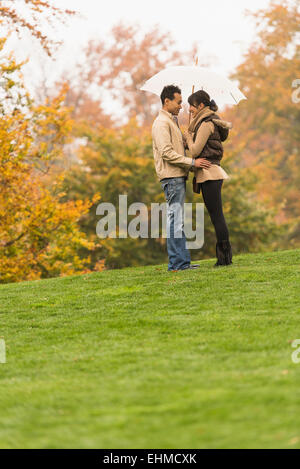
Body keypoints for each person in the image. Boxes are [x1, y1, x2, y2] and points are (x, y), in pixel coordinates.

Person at [152, 85, 211, 271]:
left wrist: (187, 137)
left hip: (177, 176)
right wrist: (192, 163)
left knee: (177, 219)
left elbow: (176, 148)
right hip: (172, 177)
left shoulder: (172, 122)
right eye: (178, 102)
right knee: (175, 219)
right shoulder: (162, 123)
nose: (181, 106)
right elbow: (167, 153)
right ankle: (177, 264)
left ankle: (182, 262)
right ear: (166, 101)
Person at [184, 89, 233, 267]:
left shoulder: (205, 124)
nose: (189, 109)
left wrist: (189, 138)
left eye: (192, 105)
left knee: (217, 216)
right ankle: (224, 257)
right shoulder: (204, 121)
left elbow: (196, 150)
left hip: (210, 173)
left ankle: (224, 258)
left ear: (201, 105)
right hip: (210, 173)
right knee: (216, 215)